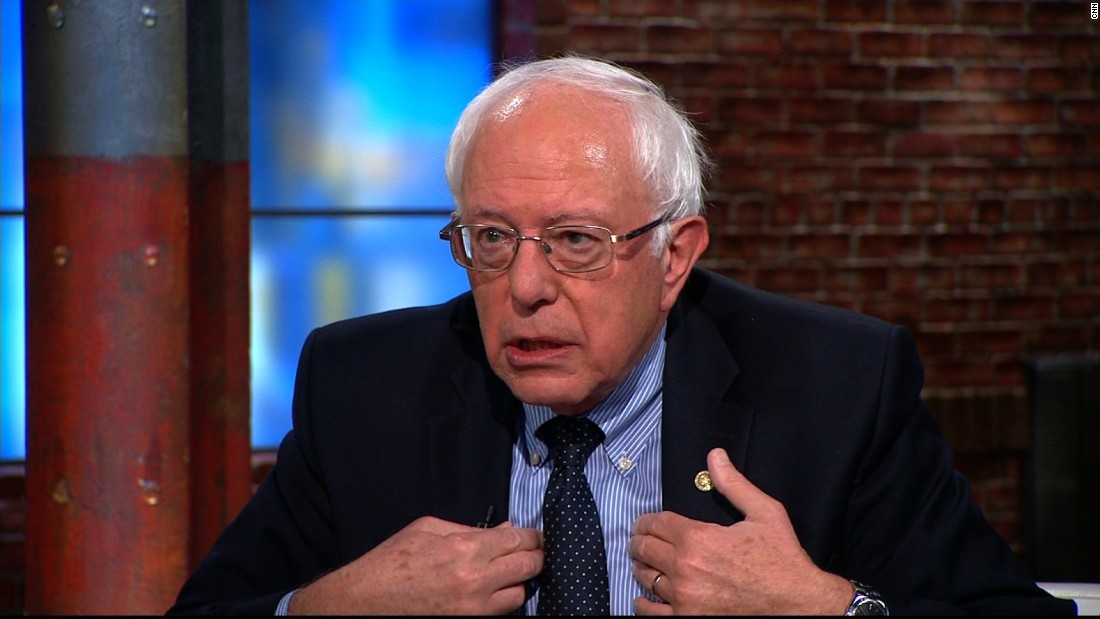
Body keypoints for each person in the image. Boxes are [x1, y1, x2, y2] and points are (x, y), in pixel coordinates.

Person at [168, 54, 1076, 615]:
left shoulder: (836, 386)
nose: (525, 288)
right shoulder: (362, 384)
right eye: (490, 238)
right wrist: (329, 609)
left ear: (675, 255)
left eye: (575, 242)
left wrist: (828, 607)